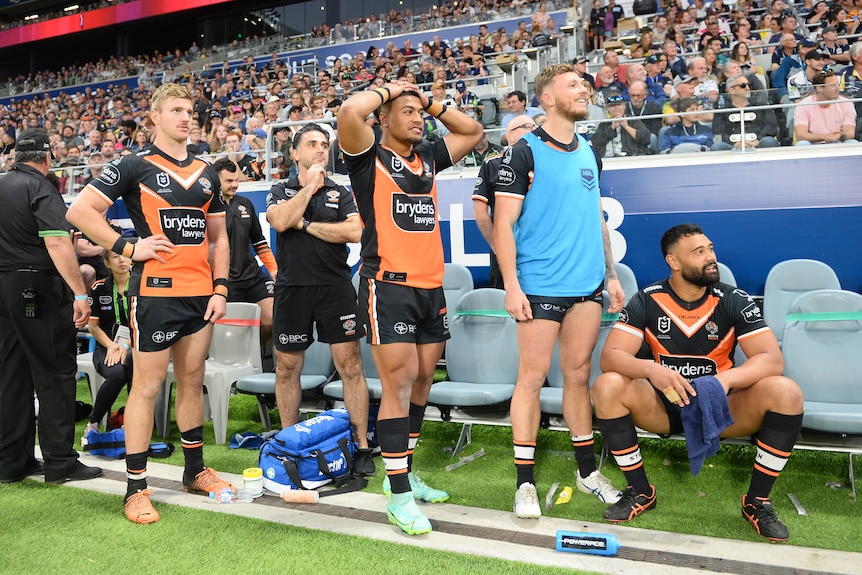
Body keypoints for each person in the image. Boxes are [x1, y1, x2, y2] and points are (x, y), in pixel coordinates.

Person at [66, 83, 234, 524]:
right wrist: (126, 247)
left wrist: (220, 288)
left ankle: (195, 471)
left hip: (201, 294)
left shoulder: (207, 170)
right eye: (175, 110)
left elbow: (218, 239)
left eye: (190, 111)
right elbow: (80, 212)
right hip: (155, 292)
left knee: (193, 380)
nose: (186, 117)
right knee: (146, 387)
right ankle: (135, 487)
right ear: (154, 117)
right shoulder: (132, 164)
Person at [592, 223, 804, 542]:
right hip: (662, 406)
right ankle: (639, 491)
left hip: (719, 410)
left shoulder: (734, 299)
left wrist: (724, 380)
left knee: (786, 391)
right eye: (699, 251)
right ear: (673, 262)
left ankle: (757, 502)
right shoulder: (647, 299)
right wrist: (651, 370)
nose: (710, 257)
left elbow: (771, 360)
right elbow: (611, 356)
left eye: (710, 249)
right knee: (607, 384)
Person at [337, 80, 483, 535]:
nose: (418, 118)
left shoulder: (429, 159)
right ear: (383, 119)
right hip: (388, 287)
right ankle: (397, 493)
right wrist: (389, 90)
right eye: (408, 112)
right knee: (397, 385)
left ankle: (405, 471)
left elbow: (473, 131)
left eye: (420, 114)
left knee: (422, 380)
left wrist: (429, 101)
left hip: (431, 288)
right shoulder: (366, 156)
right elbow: (348, 111)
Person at [493, 64, 626, 519]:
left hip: (587, 285)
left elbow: (596, 217)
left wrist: (610, 275)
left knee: (577, 376)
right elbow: (503, 225)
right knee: (530, 378)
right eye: (572, 84)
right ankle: (525, 482)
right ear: (547, 98)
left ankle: (587, 473)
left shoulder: (589, 149)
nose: (583, 88)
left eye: (583, 84)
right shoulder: (524, 152)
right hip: (539, 285)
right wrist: (512, 285)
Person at [263, 123, 375, 476]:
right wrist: (309, 187)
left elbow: (355, 231)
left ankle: (361, 446)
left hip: (335, 288)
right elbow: (280, 221)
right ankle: (287, 442)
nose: (320, 150)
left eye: (324, 144)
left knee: (351, 368)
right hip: (293, 289)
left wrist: (308, 225)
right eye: (311, 144)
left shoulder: (340, 191)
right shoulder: (280, 189)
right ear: (294, 153)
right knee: (287, 369)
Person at [0, 129, 103, 485]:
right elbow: (59, 245)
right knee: (56, 371)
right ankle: (60, 462)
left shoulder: (2, 184)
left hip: (4, 287)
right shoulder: (42, 188)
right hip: (37, 287)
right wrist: (79, 293)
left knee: (10, 376)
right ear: (47, 158)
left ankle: (12, 462)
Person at [212, 158, 276, 348]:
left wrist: (273, 269)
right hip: (225, 282)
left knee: (271, 320)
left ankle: (252, 356)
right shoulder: (207, 207)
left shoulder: (245, 203)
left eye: (236, 180)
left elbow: (259, 241)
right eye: (229, 181)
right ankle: (242, 362)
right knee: (232, 335)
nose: (235, 185)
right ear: (217, 182)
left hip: (253, 277)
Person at [472, 115, 538, 290]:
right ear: (511, 135)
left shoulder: (546, 161)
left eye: (535, 126)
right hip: (506, 250)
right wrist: (497, 246)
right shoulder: (493, 163)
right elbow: (480, 211)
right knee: (505, 307)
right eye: (527, 126)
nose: (534, 129)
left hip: (540, 250)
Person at [81, 249, 134, 445]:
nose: (121, 260)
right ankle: (93, 423)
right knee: (118, 374)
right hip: (106, 345)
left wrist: (125, 347)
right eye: (115, 257)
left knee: (133, 363)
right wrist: (112, 346)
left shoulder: (141, 285)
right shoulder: (98, 288)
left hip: (134, 344)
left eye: (125, 256)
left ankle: (132, 422)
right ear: (106, 263)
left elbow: (143, 325)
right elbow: (93, 327)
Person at [712, 75, 780, 150]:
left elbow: (771, 126)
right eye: (743, 85)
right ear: (732, 90)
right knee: (717, 146)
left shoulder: (761, 107)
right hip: (733, 147)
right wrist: (735, 143)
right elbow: (718, 132)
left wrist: (757, 140)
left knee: (767, 141)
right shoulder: (722, 111)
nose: (747, 88)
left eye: (748, 85)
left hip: (758, 144)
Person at [794, 70, 858, 144]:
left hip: (837, 142)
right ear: (819, 88)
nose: (837, 88)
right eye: (832, 85)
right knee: (802, 144)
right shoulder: (803, 105)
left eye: (837, 84)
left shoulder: (847, 103)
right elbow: (801, 135)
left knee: (852, 142)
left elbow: (850, 133)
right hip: (813, 144)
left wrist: (839, 135)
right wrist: (825, 136)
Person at [590, 92, 652, 157]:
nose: (616, 107)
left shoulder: (633, 120)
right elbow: (596, 143)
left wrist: (626, 127)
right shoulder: (604, 124)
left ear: (624, 106)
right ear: (607, 108)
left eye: (618, 104)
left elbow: (646, 139)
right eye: (612, 105)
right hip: (608, 158)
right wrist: (612, 128)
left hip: (632, 156)